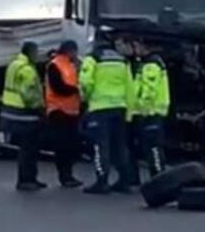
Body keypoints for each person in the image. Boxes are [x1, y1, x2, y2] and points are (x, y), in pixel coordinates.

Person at [79, 38, 135, 194]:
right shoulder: (122, 60)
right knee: (120, 145)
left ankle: (102, 182)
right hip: (120, 108)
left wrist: (85, 98)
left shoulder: (93, 58)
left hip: (99, 108)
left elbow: (85, 81)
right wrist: (130, 112)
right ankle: (125, 180)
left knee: (100, 146)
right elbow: (130, 86)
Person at [0, 40, 46, 191]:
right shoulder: (27, 70)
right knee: (29, 150)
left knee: (25, 149)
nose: (37, 55)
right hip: (25, 114)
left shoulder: (14, 65)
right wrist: (39, 108)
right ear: (30, 52)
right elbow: (29, 94)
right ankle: (27, 180)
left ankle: (29, 179)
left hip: (11, 110)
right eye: (36, 52)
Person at [44, 40, 83, 188]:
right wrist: (76, 90)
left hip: (71, 111)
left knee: (71, 145)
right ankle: (65, 176)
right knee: (62, 146)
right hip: (58, 111)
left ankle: (68, 174)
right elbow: (58, 87)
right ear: (70, 51)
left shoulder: (71, 65)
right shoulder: (55, 65)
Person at [130, 50, 170, 181]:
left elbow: (149, 90)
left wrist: (142, 109)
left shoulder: (151, 65)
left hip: (150, 113)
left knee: (153, 149)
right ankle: (157, 177)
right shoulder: (154, 63)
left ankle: (159, 178)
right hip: (152, 113)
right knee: (152, 149)